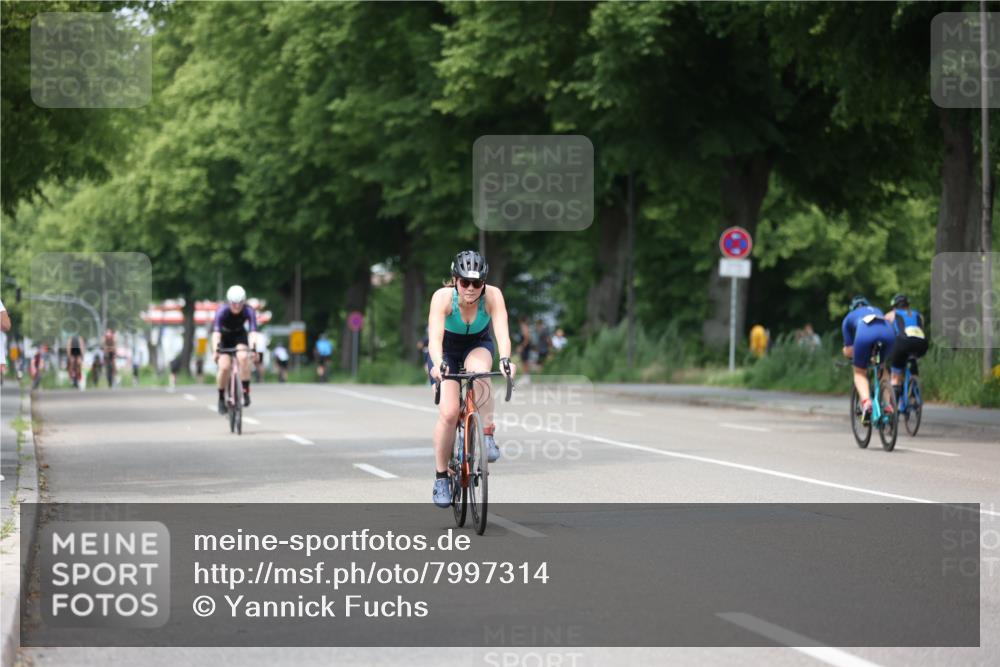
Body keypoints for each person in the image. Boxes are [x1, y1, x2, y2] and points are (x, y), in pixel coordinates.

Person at [427, 250, 516, 508]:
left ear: (484, 283)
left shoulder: (493, 296)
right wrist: (438, 364)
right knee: (449, 412)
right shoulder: (442, 298)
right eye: (464, 282)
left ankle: (486, 434)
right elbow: (434, 338)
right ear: (455, 280)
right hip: (445, 351)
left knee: (479, 373)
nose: (470, 288)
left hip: (477, 343)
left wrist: (506, 360)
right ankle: (442, 477)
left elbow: (502, 333)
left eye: (477, 283)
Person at [841, 295, 897, 423]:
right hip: (888, 333)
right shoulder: (876, 310)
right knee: (882, 366)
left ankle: (866, 404)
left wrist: (845, 352)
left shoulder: (848, 318)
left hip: (865, 333)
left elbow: (850, 350)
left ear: (852, 308)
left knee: (859, 372)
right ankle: (888, 404)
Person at [212, 285, 258, 414]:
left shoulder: (249, 310)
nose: (237, 307)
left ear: (244, 301)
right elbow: (216, 334)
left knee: (243, 357)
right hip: (224, 337)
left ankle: (245, 390)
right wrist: (216, 350)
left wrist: (254, 349)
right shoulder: (222, 311)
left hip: (239, 335)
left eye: (240, 303)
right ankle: (221, 397)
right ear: (228, 301)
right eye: (234, 303)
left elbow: (253, 332)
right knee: (224, 366)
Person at [887, 294, 928, 403]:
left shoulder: (891, 315)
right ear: (907, 305)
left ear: (894, 306)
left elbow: (884, 333)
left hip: (903, 343)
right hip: (922, 344)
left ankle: (894, 407)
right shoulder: (919, 315)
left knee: (895, 375)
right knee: (911, 359)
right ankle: (914, 388)